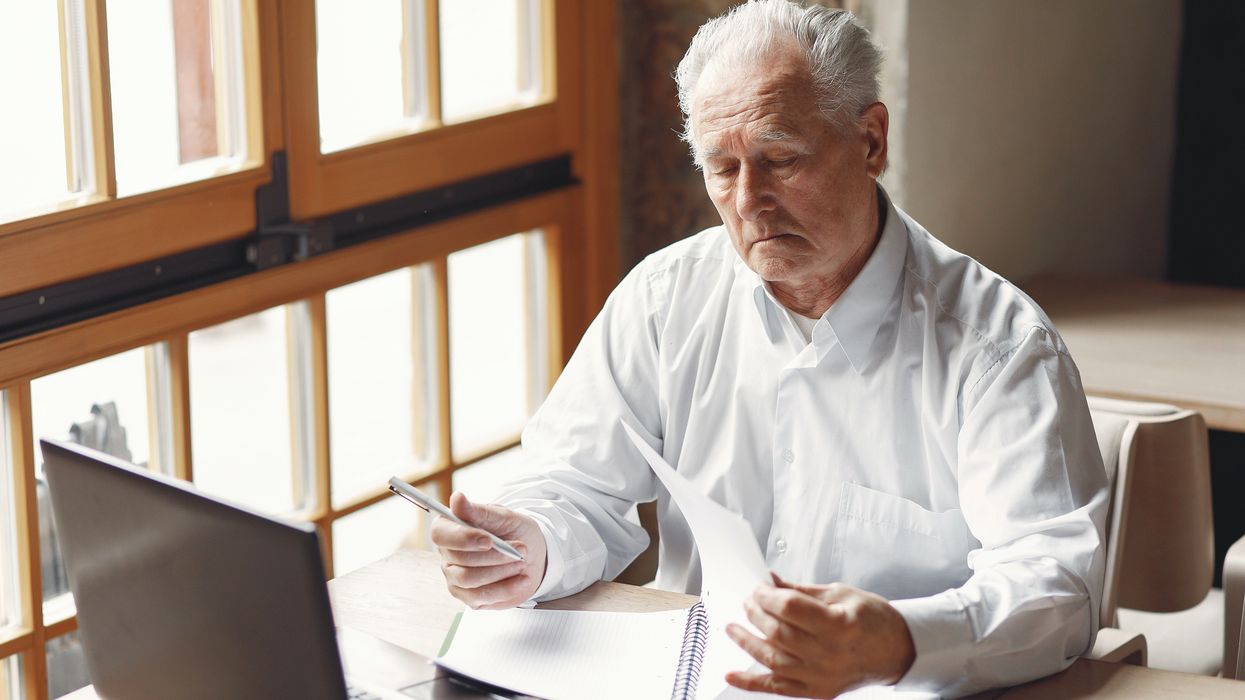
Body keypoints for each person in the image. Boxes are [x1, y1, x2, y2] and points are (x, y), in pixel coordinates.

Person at [431, 1, 1108, 697]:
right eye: (721, 169)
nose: (749, 201)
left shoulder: (997, 348)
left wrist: (901, 640)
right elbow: (574, 485)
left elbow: (1056, 587)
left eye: (780, 159)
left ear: (871, 140)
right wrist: (527, 546)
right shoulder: (666, 300)